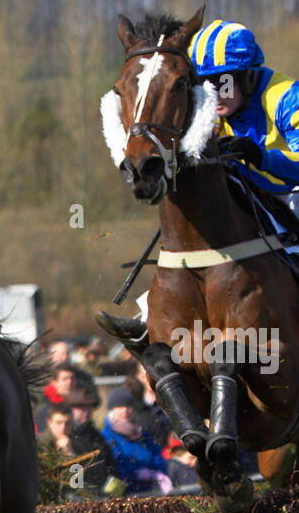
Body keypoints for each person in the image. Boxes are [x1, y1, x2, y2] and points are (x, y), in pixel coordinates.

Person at [99, 18, 299, 352]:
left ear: (248, 76)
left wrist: (260, 156)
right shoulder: (203, 103)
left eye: (223, 82)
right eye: (204, 82)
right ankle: (150, 315)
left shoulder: (286, 96)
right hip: (247, 191)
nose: (213, 92)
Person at [101, 388, 172, 495]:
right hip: (124, 494)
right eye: (119, 407)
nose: (124, 410)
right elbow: (115, 465)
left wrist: (156, 473)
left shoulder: (142, 434)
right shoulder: (106, 436)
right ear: (112, 409)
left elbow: (156, 456)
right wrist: (136, 474)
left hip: (150, 492)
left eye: (128, 406)